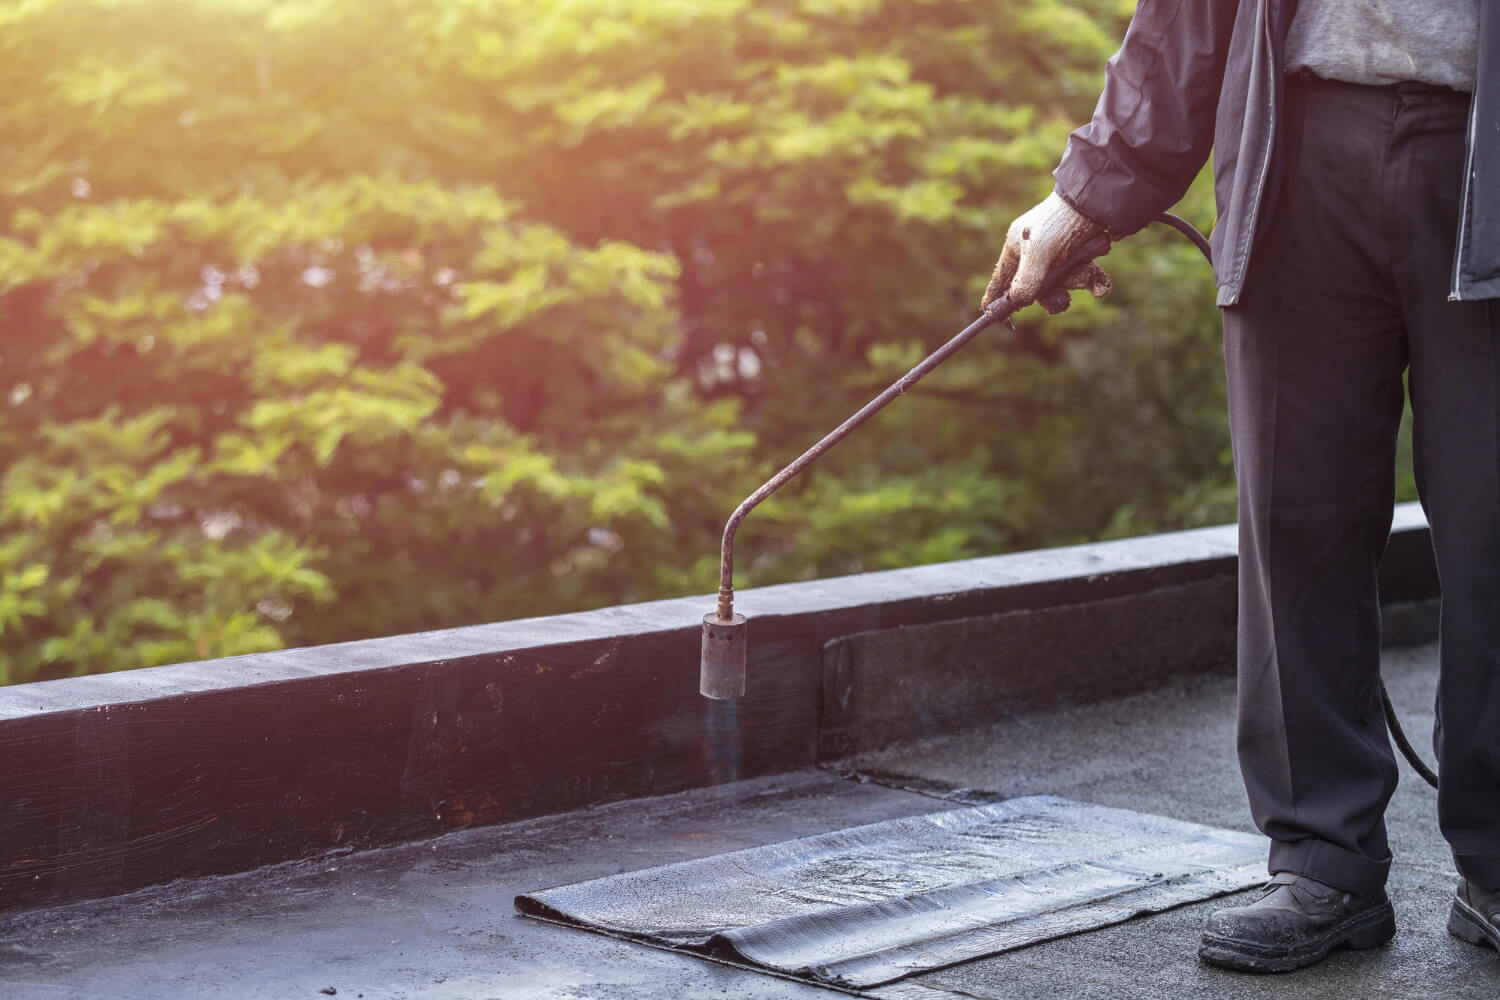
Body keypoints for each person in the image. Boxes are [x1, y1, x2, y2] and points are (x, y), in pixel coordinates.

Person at [980, 0, 1500, 974]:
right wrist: (1082, 197)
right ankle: (1323, 859)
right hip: (1297, 145)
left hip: (1490, 139)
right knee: (1295, 520)